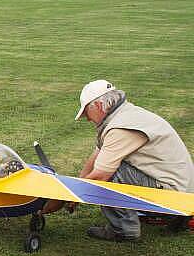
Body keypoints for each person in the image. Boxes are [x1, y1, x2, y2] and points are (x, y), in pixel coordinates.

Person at [45, 80, 194, 241]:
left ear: (99, 106)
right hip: (182, 189)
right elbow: (96, 156)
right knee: (108, 164)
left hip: (174, 197)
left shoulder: (120, 128)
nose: (87, 119)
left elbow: (100, 175)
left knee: (112, 171)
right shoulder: (126, 114)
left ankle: (124, 230)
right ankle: (178, 217)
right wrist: (77, 184)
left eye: (87, 112)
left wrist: (64, 197)